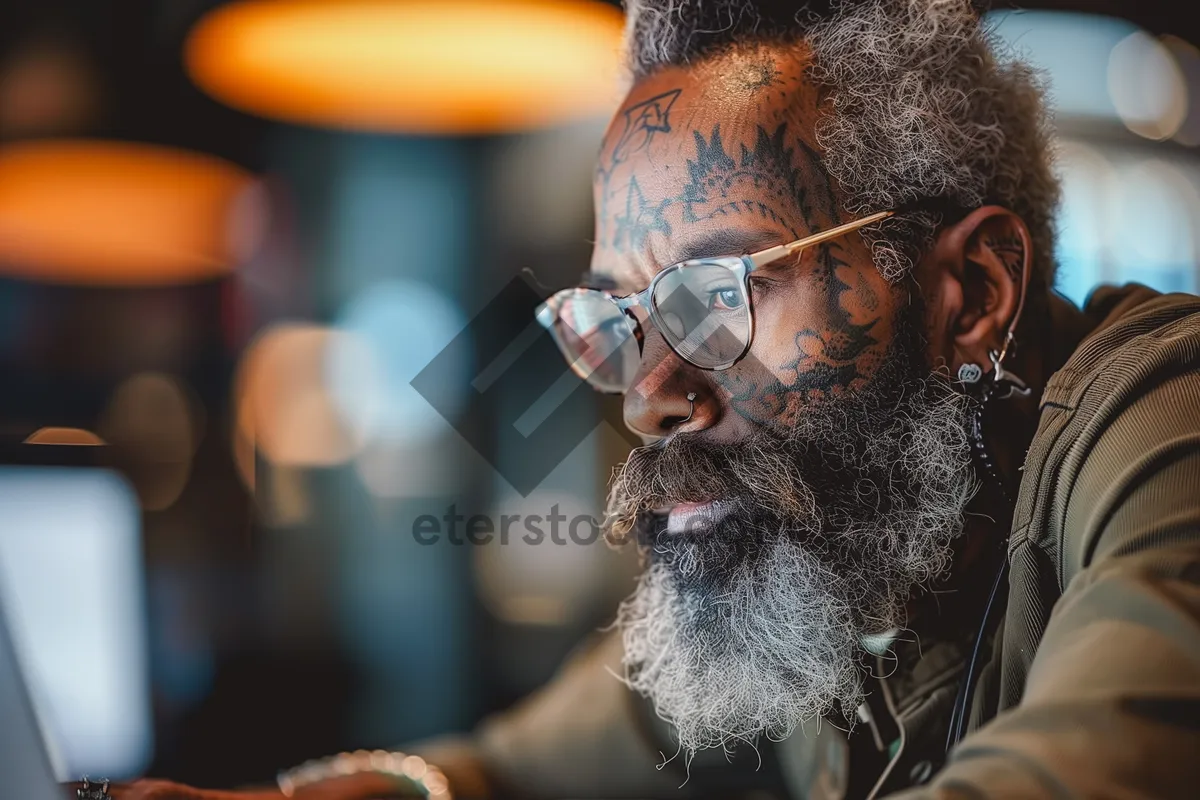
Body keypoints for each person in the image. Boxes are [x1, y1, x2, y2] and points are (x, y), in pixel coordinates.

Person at [90, 0, 1200, 798]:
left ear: (971, 292)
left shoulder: (1162, 408)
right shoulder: (820, 551)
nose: (651, 394)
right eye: (614, 317)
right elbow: (526, 759)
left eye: (717, 292)